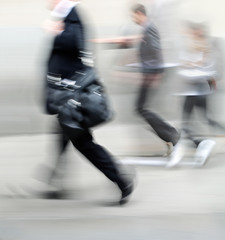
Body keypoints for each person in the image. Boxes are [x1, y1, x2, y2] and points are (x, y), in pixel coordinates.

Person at [43, 0, 134, 205]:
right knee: (61, 138)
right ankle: (55, 182)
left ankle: (122, 180)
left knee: (82, 142)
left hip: (70, 97)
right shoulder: (67, 15)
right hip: (65, 96)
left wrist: (55, 31)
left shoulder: (72, 13)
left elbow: (75, 41)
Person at [166, 21, 225, 168]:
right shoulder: (191, 47)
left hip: (197, 92)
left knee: (196, 120)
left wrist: (194, 66)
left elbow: (207, 70)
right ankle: (201, 143)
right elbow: (184, 67)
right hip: (191, 92)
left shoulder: (205, 48)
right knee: (192, 121)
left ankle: (203, 143)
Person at [130, 3, 181, 156]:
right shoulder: (147, 28)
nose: (133, 19)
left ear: (139, 13)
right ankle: (169, 136)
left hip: (150, 74)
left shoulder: (149, 28)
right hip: (149, 73)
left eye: (133, 15)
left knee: (141, 108)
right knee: (142, 108)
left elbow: (157, 51)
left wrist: (156, 73)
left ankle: (171, 134)